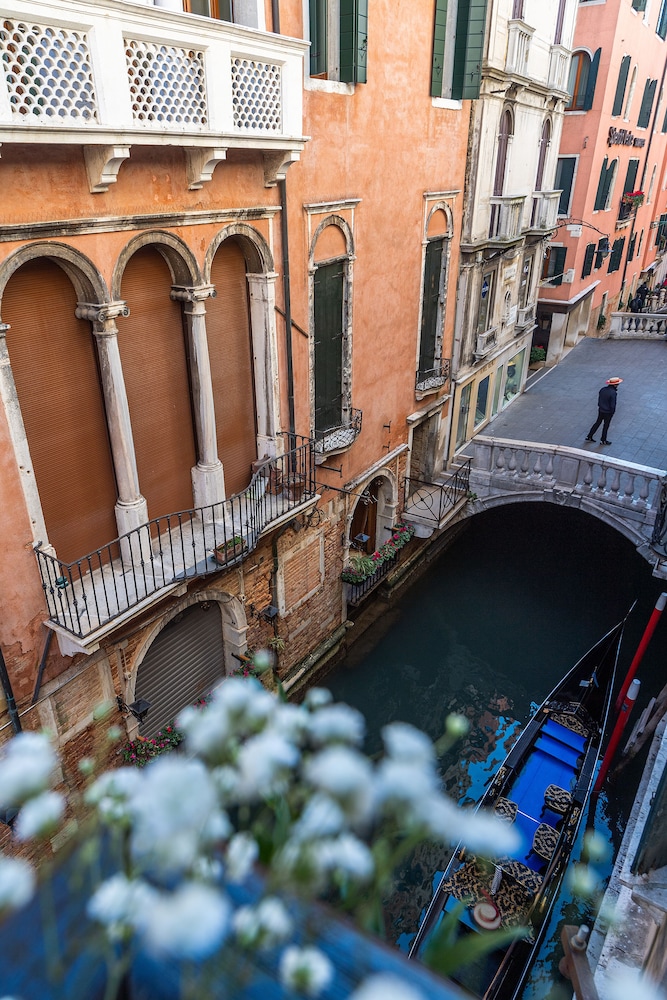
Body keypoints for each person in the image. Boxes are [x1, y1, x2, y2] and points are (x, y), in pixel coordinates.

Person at [585, 377, 623, 445]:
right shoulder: (613, 393)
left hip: (601, 410)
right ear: (615, 385)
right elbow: (612, 404)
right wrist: (612, 412)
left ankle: (589, 436)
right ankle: (603, 440)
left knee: (597, 422)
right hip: (608, 412)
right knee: (606, 426)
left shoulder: (603, 389)